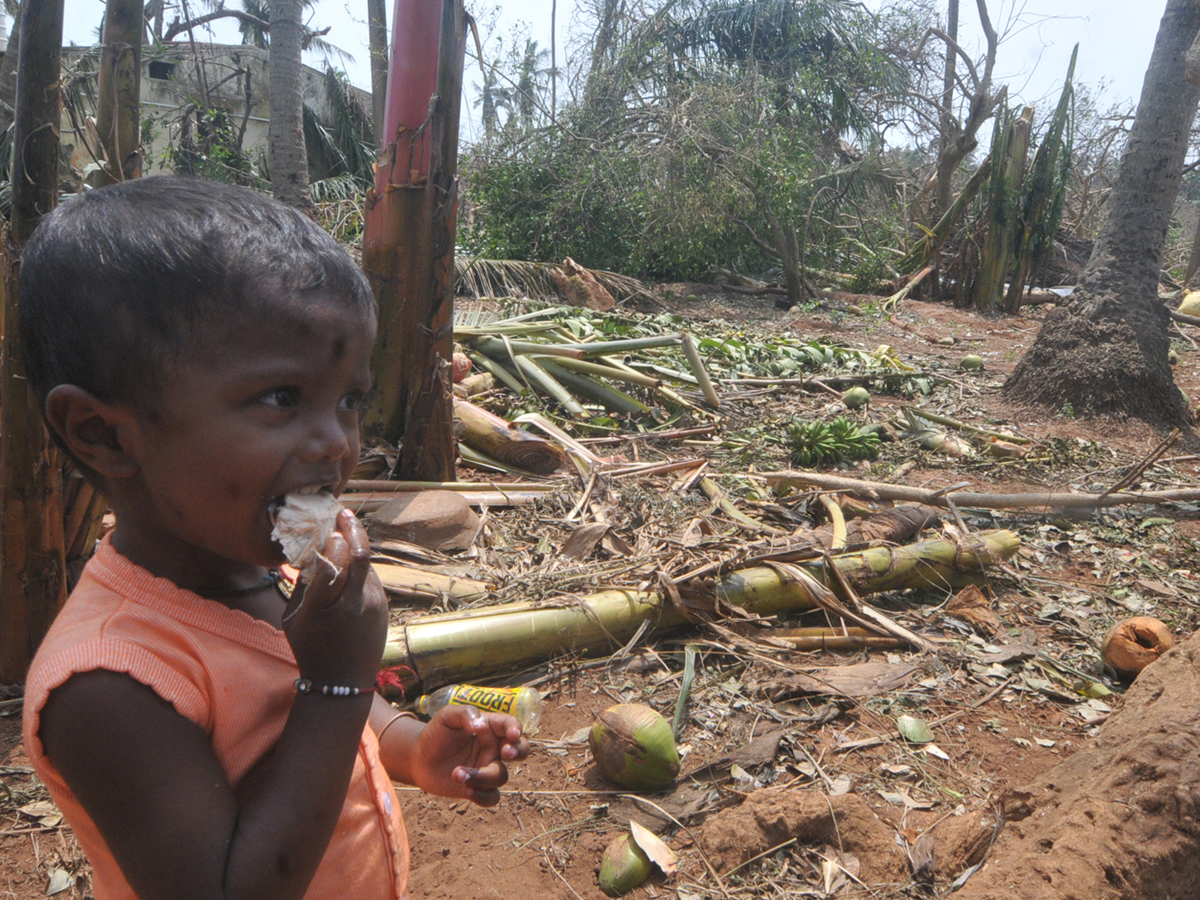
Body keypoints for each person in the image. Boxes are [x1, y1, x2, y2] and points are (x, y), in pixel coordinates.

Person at [20, 176, 529, 900]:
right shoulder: (110, 681)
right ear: (103, 434)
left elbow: (320, 714)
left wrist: (414, 749)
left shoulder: (261, 568)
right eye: (281, 398)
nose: (337, 443)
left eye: (349, 399)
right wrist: (337, 679)